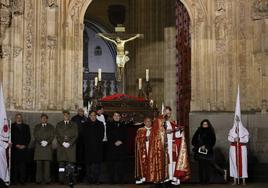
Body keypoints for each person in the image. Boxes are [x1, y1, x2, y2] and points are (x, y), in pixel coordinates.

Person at [147, 106, 190, 186]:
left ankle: (171, 177)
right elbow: (155, 134)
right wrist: (165, 132)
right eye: (166, 112)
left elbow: (176, 135)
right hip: (162, 146)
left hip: (171, 145)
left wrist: (179, 130)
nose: (168, 114)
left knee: (172, 161)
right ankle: (162, 178)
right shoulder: (158, 121)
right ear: (163, 112)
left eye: (169, 113)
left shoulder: (171, 123)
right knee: (164, 161)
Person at [192, 119, 227, 184]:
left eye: (206, 124)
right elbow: (193, 140)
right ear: (201, 125)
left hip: (208, 152)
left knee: (208, 166)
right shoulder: (199, 130)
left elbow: (213, 141)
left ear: (208, 125)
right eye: (203, 124)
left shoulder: (211, 131)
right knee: (201, 166)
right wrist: (200, 145)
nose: (204, 125)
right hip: (200, 152)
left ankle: (207, 180)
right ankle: (202, 181)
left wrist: (206, 146)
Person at [56, 110, 78, 184]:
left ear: (69, 116)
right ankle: (61, 179)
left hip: (70, 147)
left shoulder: (74, 124)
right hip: (61, 148)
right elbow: (57, 135)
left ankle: (70, 180)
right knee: (61, 166)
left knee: (70, 166)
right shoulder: (59, 124)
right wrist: (62, 143)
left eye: (67, 115)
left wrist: (69, 143)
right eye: (64, 115)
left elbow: (76, 135)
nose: (66, 116)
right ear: (63, 116)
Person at [82, 110, 104, 184]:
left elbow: (101, 135)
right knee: (88, 166)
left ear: (96, 116)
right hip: (88, 148)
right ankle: (89, 180)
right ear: (89, 116)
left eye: (94, 115)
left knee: (97, 165)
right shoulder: (85, 124)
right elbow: (84, 136)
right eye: (91, 115)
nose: (93, 117)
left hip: (97, 148)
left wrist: (96, 144)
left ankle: (96, 179)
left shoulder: (100, 124)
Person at [106, 112, 128, 184]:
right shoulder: (109, 125)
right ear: (113, 117)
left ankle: (121, 180)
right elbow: (108, 135)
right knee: (111, 165)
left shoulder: (123, 125)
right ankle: (111, 180)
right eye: (115, 115)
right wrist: (114, 142)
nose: (116, 117)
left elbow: (126, 135)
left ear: (120, 117)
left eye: (118, 115)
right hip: (112, 147)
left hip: (121, 148)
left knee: (121, 165)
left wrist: (121, 141)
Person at [33, 113, 55, 184]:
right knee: (38, 166)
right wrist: (41, 141)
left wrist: (47, 142)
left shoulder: (51, 127)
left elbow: (52, 136)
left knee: (47, 166)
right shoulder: (37, 126)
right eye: (43, 118)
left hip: (47, 148)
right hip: (39, 148)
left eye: (45, 118)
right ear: (41, 119)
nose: (44, 119)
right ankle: (38, 180)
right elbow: (35, 135)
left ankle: (47, 180)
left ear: (47, 119)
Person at [228, 115, 249, 185]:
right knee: (234, 163)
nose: (237, 122)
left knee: (243, 163)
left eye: (238, 121)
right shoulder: (231, 130)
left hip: (242, 149)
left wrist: (240, 139)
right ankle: (235, 179)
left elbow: (246, 140)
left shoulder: (244, 130)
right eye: (236, 121)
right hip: (233, 149)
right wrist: (234, 139)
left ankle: (243, 180)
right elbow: (229, 138)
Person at [11, 113, 31, 185]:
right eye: (17, 117)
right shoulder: (11, 126)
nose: (19, 118)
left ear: (22, 118)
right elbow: (10, 137)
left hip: (23, 149)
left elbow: (28, 137)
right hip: (15, 149)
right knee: (15, 166)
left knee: (23, 166)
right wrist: (16, 145)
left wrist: (24, 145)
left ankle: (22, 181)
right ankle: (15, 181)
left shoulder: (26, 126)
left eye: (20, 117)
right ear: (15, 118)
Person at [71, 108, 87, 181]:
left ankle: (83, 176)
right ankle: (75, 175)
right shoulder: (74, 119)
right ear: (78, 112)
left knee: (83, 159)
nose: (81, 112)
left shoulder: (86, 118)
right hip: (76, 142)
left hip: (84, 142)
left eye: (82, 111)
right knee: (76, 159)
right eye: (80, 111)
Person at [135, 117, 152, 184]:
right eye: (147, 121)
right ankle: (143, 177)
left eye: (150, 121)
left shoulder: (154, 129)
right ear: (144, 122)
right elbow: (137, 139)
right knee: (143, 163)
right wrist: (145, 138)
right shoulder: (140, 130)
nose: (149, 123)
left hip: (152, 149)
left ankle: (151, 177)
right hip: (143, 149)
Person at [0, 120, 10, 185]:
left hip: (1, 149)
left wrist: (6, 144)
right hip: (2, 146)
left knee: (3, 164)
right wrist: (6, 145)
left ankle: (3, 179)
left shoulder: (2, 123)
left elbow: (4, 136)